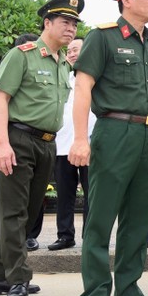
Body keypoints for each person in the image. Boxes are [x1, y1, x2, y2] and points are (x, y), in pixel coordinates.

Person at [69, 0, 148, 296]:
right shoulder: (103, 36)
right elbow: (83, 88)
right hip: (114, 131)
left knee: (139, 218)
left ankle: (128, 291)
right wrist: (81, 138)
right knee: (101, 217)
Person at [0, 0, 82, 296]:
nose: (71, 28)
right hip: (18, 139)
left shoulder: (62, 65)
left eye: (75, 24)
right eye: (65, 22)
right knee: (13, 212)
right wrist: (1, 145)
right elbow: (1, 100)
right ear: (47, 22)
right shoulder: (22, 55)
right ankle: (18, 278)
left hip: (46, 144)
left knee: (27, 212)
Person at [0, 34, 45, 256]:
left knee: (35, 188)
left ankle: (29, 236)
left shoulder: (45, 69)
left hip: (34, 135)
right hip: (3, 131)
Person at [48, 38, 96, 251]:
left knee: (91, 193)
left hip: (90, 145)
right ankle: (65, 235)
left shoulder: (98, 78)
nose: (72, 53)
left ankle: (91, 236)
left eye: (77, 49)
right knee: (65, 195)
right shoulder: (60, 77)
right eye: (69, 50)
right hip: (63, 145)